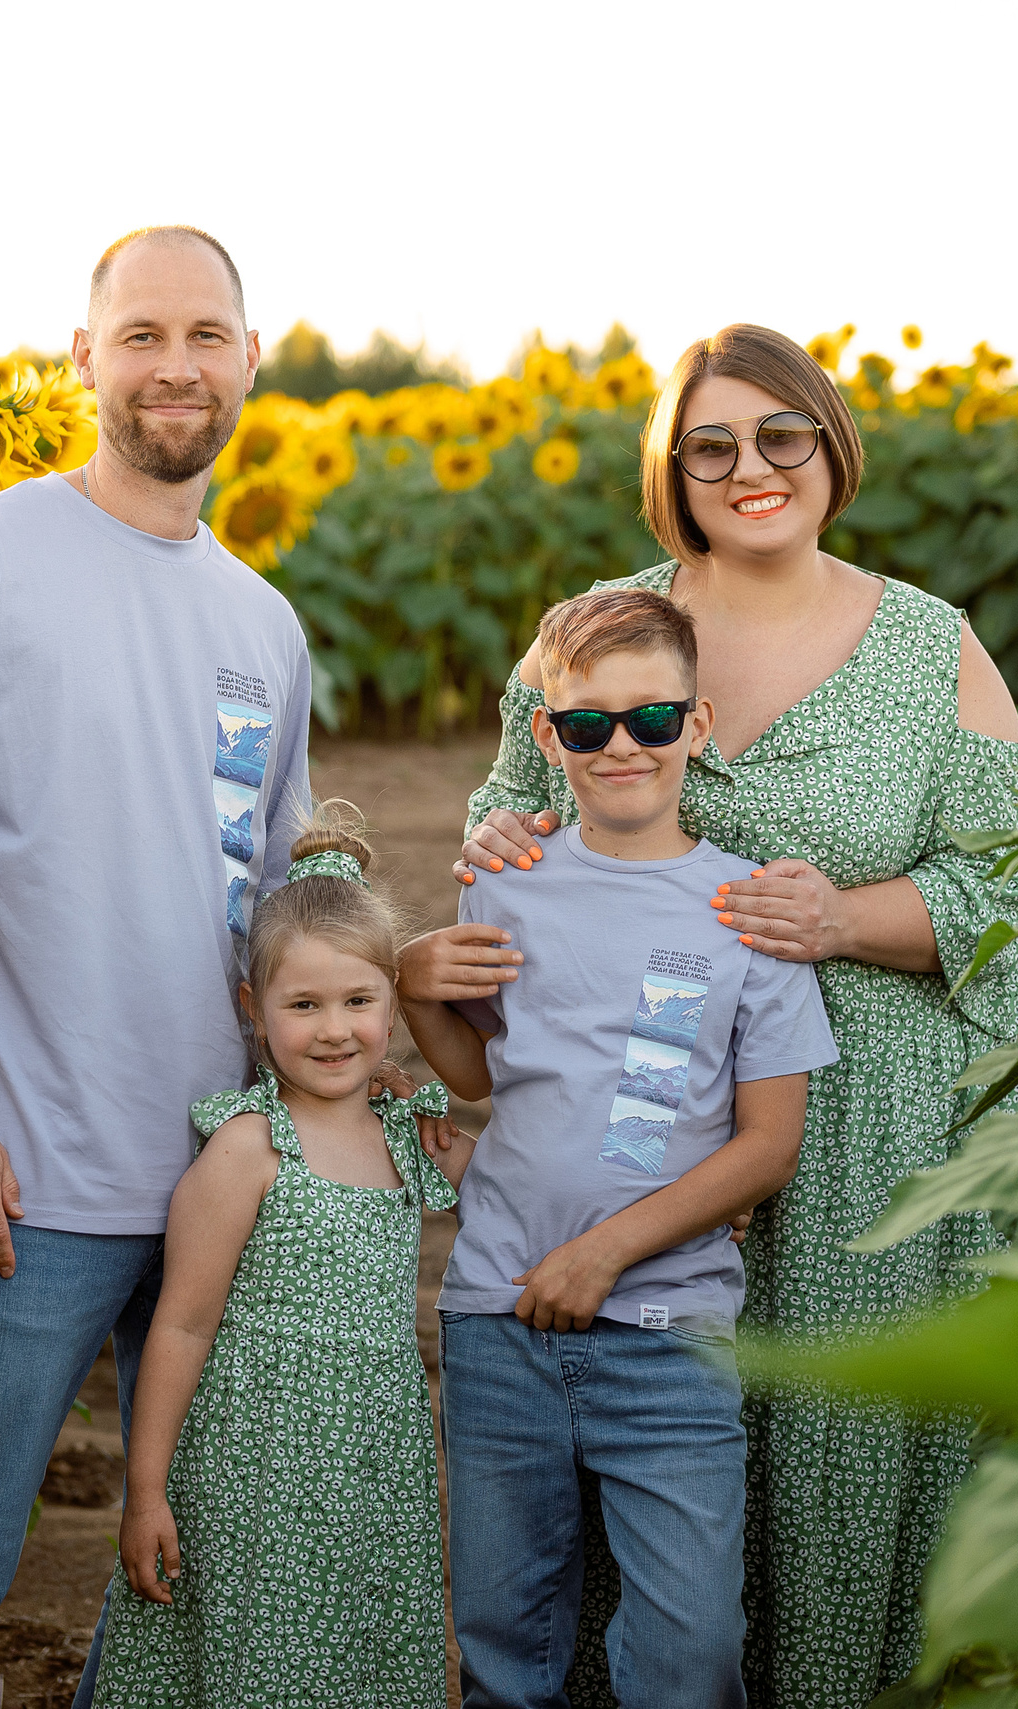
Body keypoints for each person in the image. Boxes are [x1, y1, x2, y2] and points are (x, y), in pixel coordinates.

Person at [399, 325, 1018, 1708]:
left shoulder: (933, 649)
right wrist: (499, 840)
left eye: (780, 435)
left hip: (857, 1131)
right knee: (629, 1487)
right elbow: (509, 816)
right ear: (673, 473)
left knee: (828, 1469)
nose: (751, 468)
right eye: (712, 446)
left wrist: (848, 919)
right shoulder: (602, 629)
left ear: (830, 444)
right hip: (635, 1126)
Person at [0, 226, 315, 1709]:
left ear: (248, 359)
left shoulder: (265, 626)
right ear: (84, 356)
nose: (178, 366)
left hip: (210, 1186)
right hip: (17, 1192)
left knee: (182, 1595)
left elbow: (279, 914)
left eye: (207, 335)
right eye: (144, 333)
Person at [402, 586, 839, 1709]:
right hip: (498, 1319)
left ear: (698, 723)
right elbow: (480, 1073)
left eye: (651, 718)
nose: (621, 746)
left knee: (689, 1651)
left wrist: (606, 1251)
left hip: (669, 1335)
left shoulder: (746, 911)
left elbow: (768, 1145)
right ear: (546, 737)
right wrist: (415, 988)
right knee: (505, 1639)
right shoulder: (506, 881)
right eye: (587, 724)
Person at [92, 806, 456, 1708]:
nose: (334, 1029)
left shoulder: (411, 1133)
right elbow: (180, 1323)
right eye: (304, 1004)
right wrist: (146, 1494)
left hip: (373, 1466)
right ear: (254, 1010)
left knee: (360, 1662)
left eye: (358, 1001)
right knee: (263, 1667)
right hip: (255, 1473)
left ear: (390, 1003)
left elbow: (525, 1182)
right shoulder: (250, 1147)